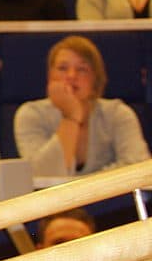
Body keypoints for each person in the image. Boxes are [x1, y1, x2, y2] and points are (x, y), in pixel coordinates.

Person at [14, 36, 150, 177]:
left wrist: (87, 189)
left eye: (82, 69)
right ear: (50, 76)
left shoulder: (118, 114)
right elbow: (42, 176)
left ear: (96, 79)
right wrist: (71, 117)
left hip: (112, 199)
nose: (71, 76)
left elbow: (139, 170)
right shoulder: (31, 114)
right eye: (62, 68)